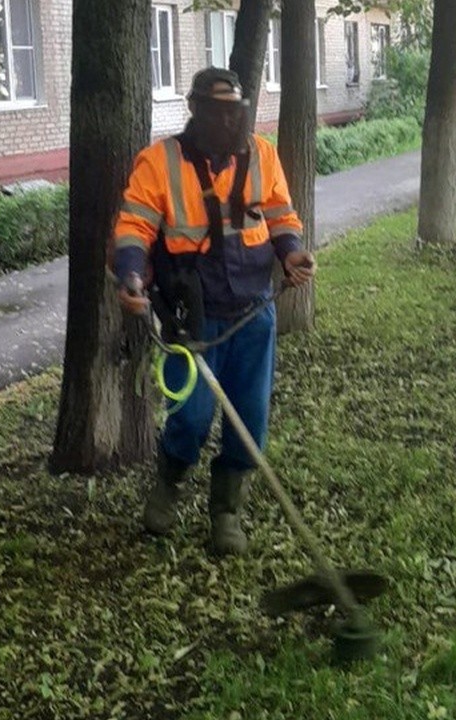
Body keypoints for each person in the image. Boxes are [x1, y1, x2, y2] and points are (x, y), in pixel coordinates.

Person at [111, 67, 316, 556]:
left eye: (235, 112)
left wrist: (291, 253)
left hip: (253, 311)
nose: (228, 122)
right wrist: (132, 276)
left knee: (250, 418)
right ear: (196, 111)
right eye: (218, 112)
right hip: (193, 317)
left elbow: (280, 215)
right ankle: (168, 485)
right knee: (193, 415)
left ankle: (226, 513)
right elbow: (134, 227)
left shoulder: (261, 154)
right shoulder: (159, 162)